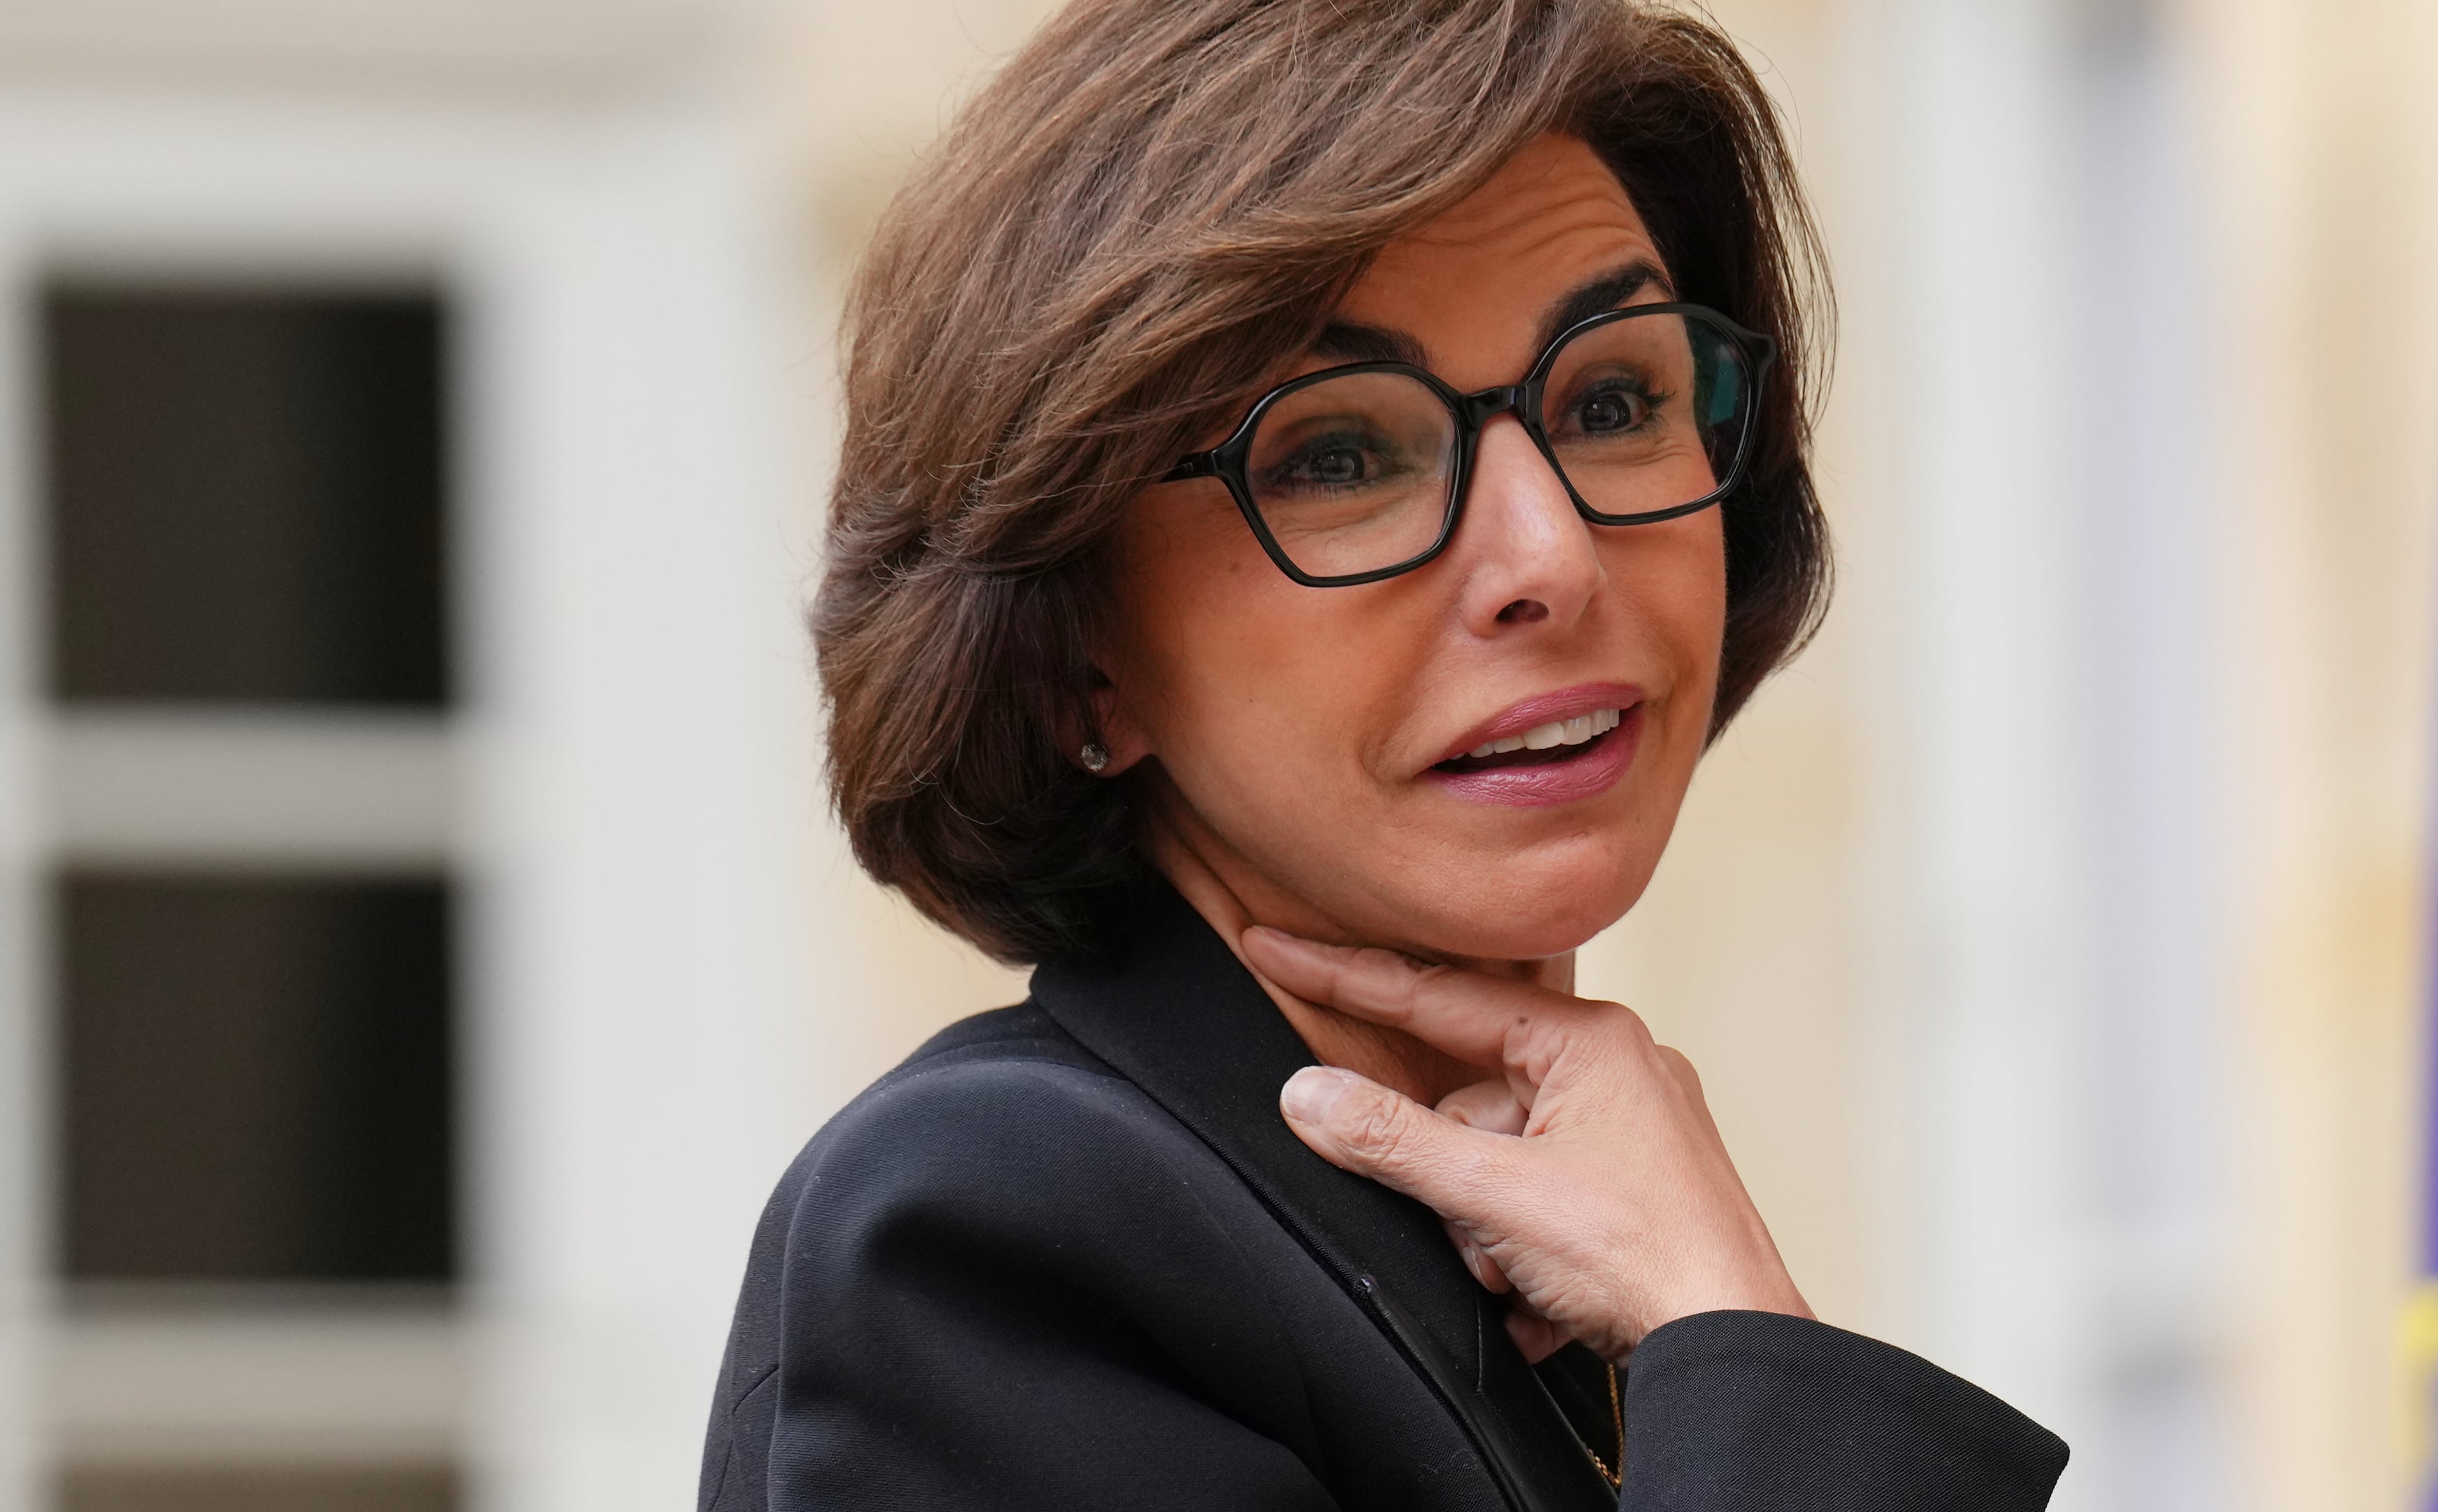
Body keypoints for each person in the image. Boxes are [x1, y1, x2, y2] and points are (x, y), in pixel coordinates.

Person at [699, 1, 2070, 1506]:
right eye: (1341, 455)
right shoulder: (1002, 1231)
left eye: (1614, 402)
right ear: (1077, 652)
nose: (1550, 557)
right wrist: (1732, 1328)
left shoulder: (1541, 1264)